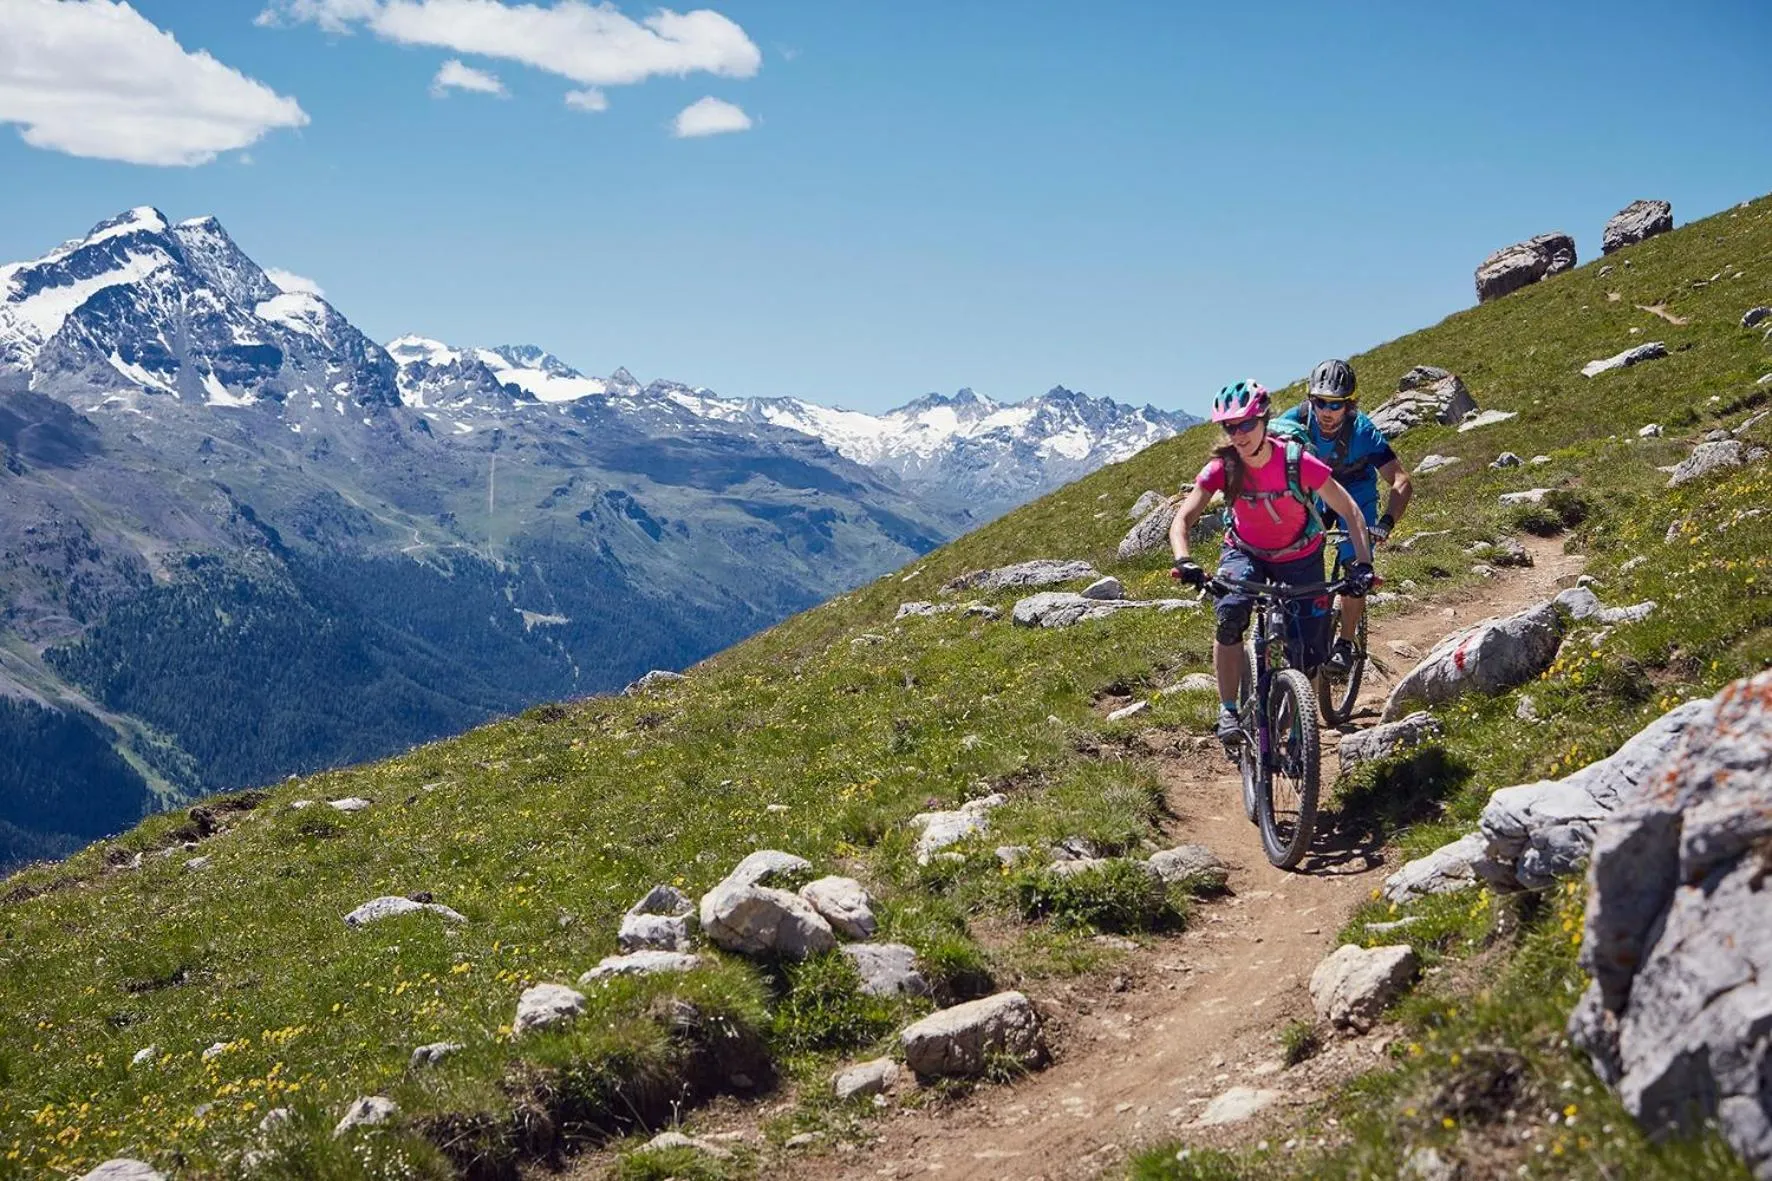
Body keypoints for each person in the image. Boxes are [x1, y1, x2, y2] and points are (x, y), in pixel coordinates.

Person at [1168, 379, 1375, 745]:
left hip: (1301, 553)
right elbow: (1183, 519)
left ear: (1264, 420)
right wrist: (1184, 560)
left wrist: (1362, 564)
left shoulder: (1297, 462)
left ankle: (1300, 724)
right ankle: (1229, 709)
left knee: (1309, 652)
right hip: (1244, 552)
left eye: (1247, 423)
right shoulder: (1223, 468)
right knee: (1230, 615)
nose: (1240, 434)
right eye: (1231, 427)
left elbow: (1350, 511)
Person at [1271, 359, 1412, 675]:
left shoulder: (1363, 432)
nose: (1327, 411)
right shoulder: (1293, 422)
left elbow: (1401, 481)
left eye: (1336, 404)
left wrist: (1386, 522)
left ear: (1351, 404)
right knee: (1299, 559)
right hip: (1315, 494)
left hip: (1356, 493)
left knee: (1355, 572)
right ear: (1311, 400)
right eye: (1320, 402)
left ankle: (1345, 645)